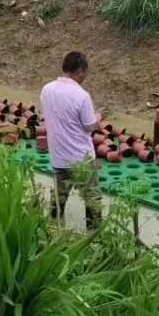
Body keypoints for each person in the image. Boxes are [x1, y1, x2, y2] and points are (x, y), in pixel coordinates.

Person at [40, 50, 103, 229]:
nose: (85, 77)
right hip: (80, 158)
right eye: (85, 73)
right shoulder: (81, 95)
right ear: (80, 71)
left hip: (59, 156)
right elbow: (90, 126)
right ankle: (94, 237)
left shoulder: (47, 89)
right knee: (92, 200)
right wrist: (99, 116)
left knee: (58, 199)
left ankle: (52, 232)